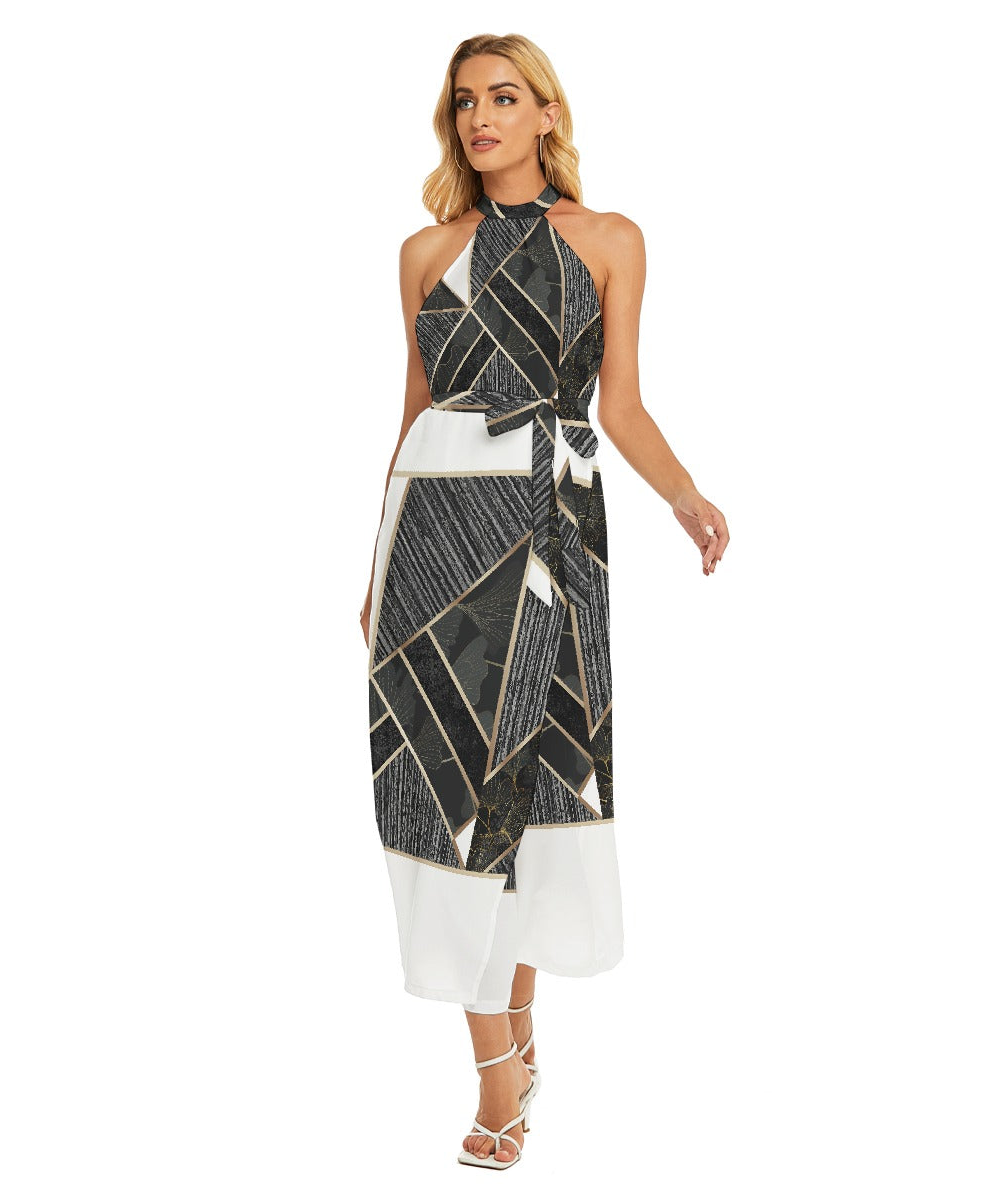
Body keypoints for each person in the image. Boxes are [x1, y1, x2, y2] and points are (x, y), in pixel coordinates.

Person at [360, 33, 729, 1169]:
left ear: (545, 113)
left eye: (504, 97)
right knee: (445, 794)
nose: (481, 118)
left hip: (552, 530)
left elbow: (620, 406)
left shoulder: (609, 240)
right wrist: (373, 571)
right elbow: (414, 415)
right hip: (433, 540)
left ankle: (512, 1047)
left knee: (523, 787)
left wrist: (686, 496)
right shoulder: (425, 252)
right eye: (465, 101)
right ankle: (498, 1069)